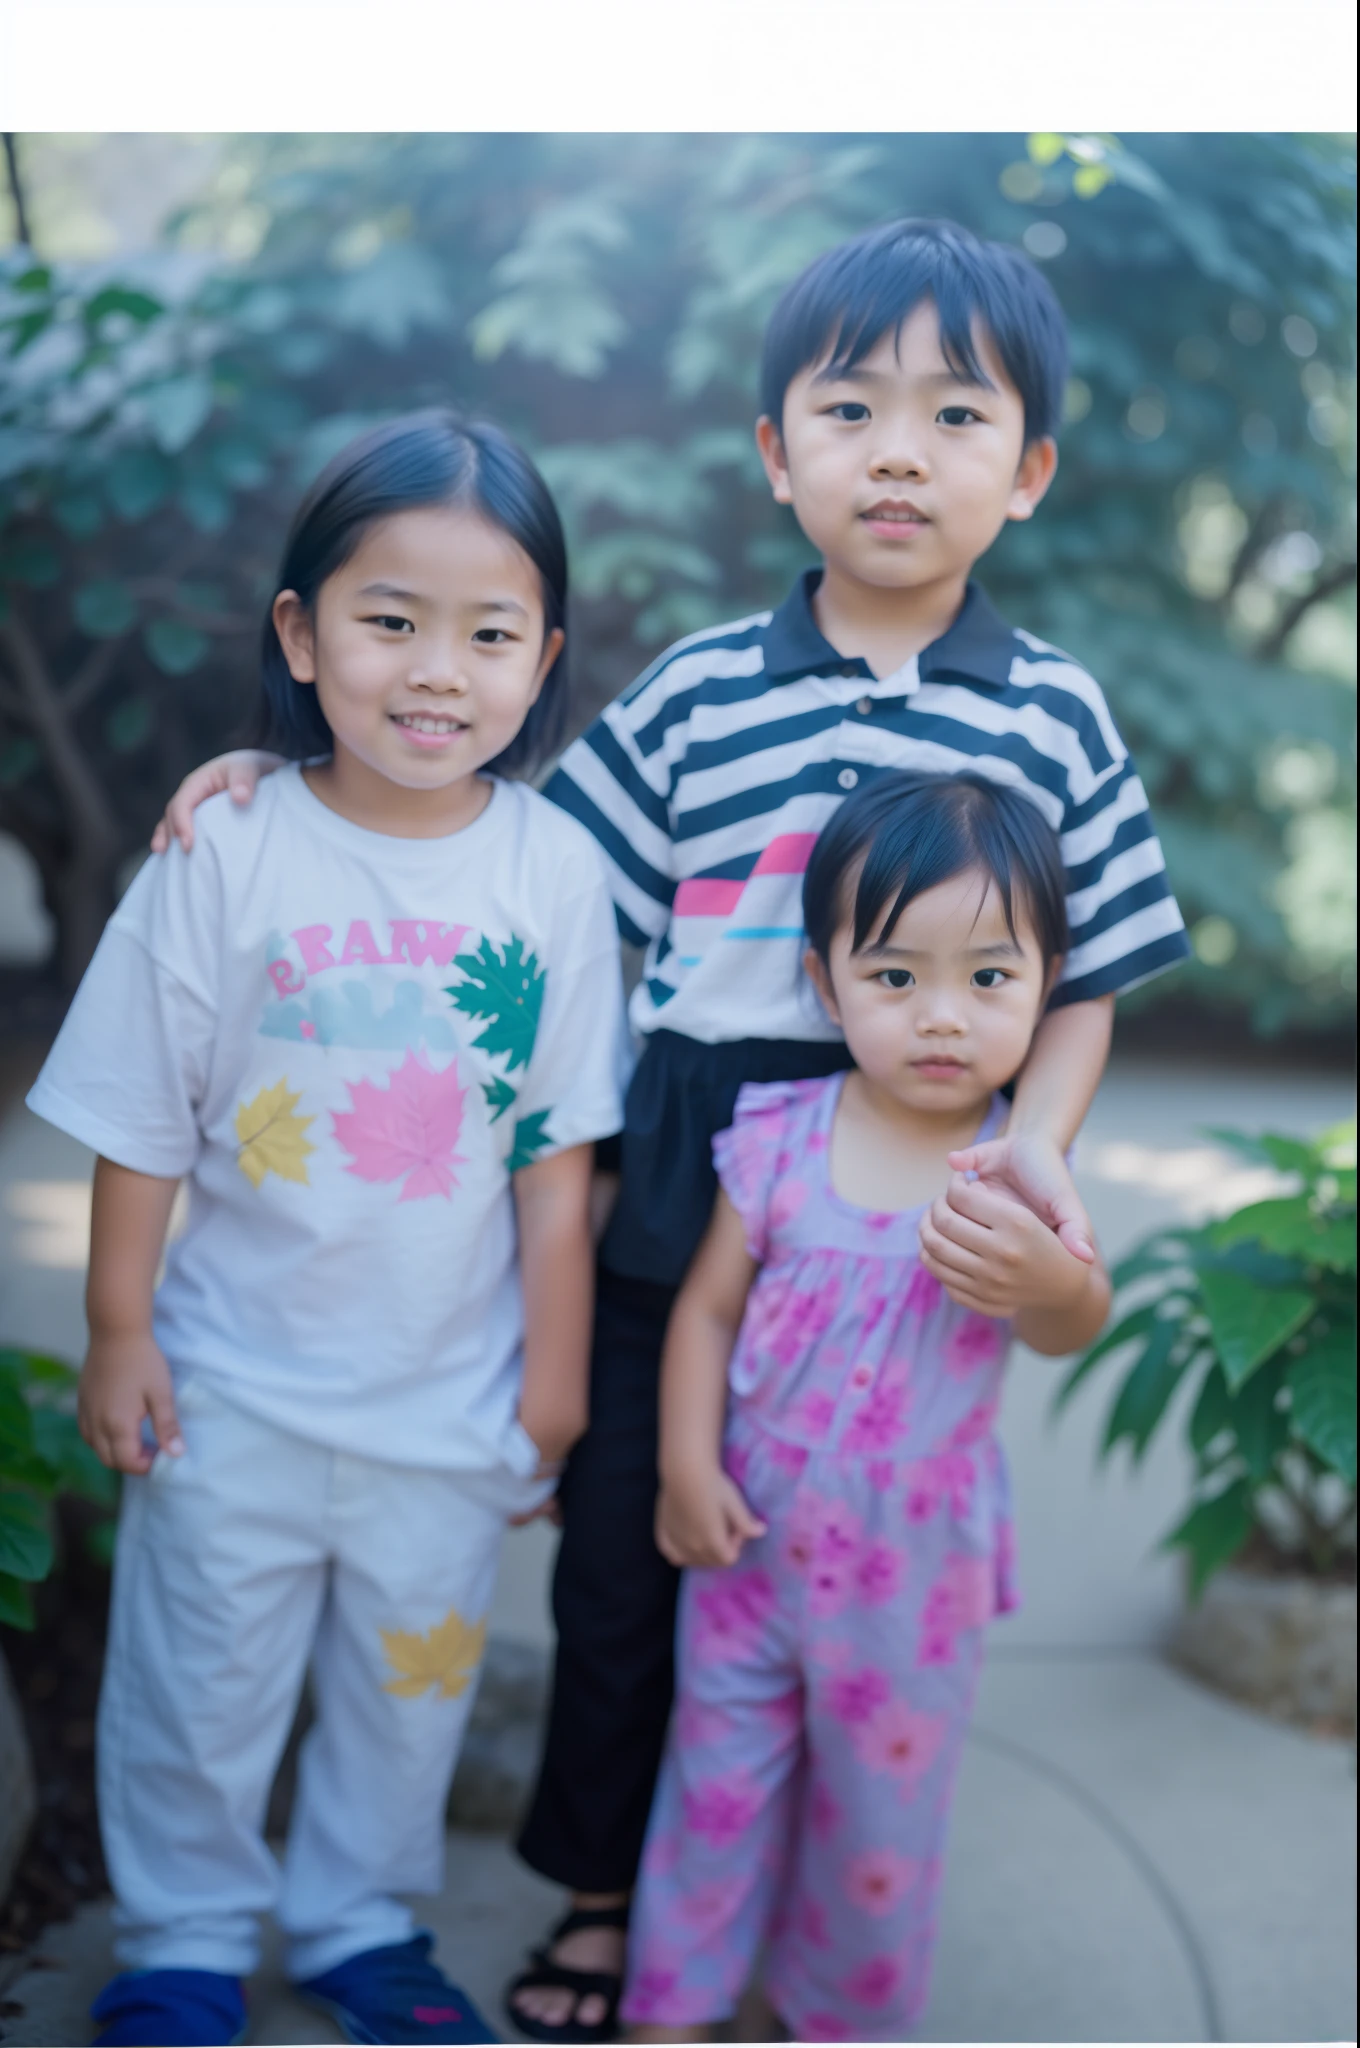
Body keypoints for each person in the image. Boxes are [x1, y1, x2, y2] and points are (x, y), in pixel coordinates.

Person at [151, 217, 1191, 2041]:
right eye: (848, 406)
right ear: (775, 451)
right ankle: (614, 1894)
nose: (894, 449)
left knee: (850, 1555)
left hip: (918, 1162)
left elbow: (1092, 963)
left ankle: (821, 1908)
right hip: (692, 1137)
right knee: (636, 1558)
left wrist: (1045, 1140)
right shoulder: (709, 685)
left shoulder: (1056, 710)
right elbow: (515, 852)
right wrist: (281, 785)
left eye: (954, 415)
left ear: (1025, 472)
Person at [27, 412, 629, 2048]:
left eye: (489, 633)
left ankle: (364, 1920)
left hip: (448, 1394)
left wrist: (554, 1385)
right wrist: (120, 1322)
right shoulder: (224, 846)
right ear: (300, 633)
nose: (438, 670)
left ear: (543, 655)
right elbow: (146, 1109)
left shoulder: (556, 876)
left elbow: (559, 1154)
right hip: (230, 1383)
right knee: (198, 1683)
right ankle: (182, 1939)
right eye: (390, 620)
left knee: (409, 1686)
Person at [621, 770, 1111, 2043]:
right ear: (826, 980)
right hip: (750, 1536)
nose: (941, 1018)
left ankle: (831, 2011)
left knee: (879, 1824)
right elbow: (708, 1310)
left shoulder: (1017, 1169)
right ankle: (673, 2003)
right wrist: (683, 1460)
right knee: (714, 1785)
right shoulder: (778, 1133)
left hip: (914, 1569)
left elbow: (1068, 1327)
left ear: (1045, 983)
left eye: (988, 979)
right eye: (895, 976)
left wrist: (1054, 1275)